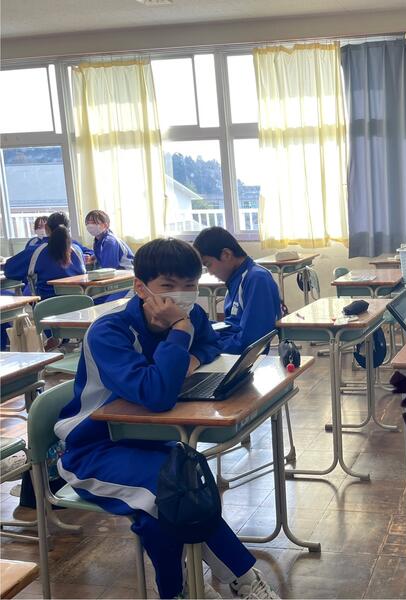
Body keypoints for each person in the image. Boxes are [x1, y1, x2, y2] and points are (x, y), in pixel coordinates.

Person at [54, 238, 279, 600]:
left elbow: (210, 344)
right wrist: (179, 332)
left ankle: (183, 590)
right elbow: (156, 394)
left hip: (151, 441)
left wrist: (191, 356)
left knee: (177, 497)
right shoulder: (110, 332)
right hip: (94, 448)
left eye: (189, 285)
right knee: (175, 495)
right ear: (140, 287)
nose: (181, 295)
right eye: (168, 285)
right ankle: (241, 578)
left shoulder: (191, 315)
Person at [193, 227, 282, 354]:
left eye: (208, 264)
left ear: (226, 254)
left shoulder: (256, 278)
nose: (210, 272)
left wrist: (209, 348)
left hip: (242, 357)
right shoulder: (235, 279)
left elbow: (251, 342)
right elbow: (231, 326)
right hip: (231, 347)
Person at [4, 211, 87, 299]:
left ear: (46, 227)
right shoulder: (77, 250)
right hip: (80, 302)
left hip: (46, 303)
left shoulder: (36, 251)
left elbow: (9, 271)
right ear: (68, 229)